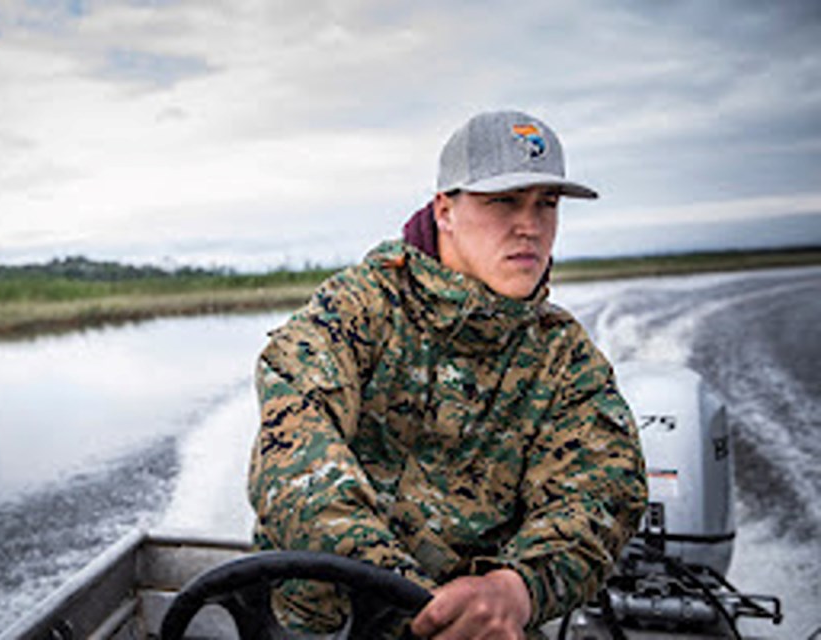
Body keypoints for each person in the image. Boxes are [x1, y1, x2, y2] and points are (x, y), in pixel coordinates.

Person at [247, 110, 647, 639]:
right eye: (503, 201)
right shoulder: (357, 310)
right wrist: (406, 594)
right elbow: (295, 452)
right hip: (326, 629)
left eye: (545, 204)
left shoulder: (565, 358)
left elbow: (601, 490)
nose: (529, 225)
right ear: (445, 210)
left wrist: (516, 588)